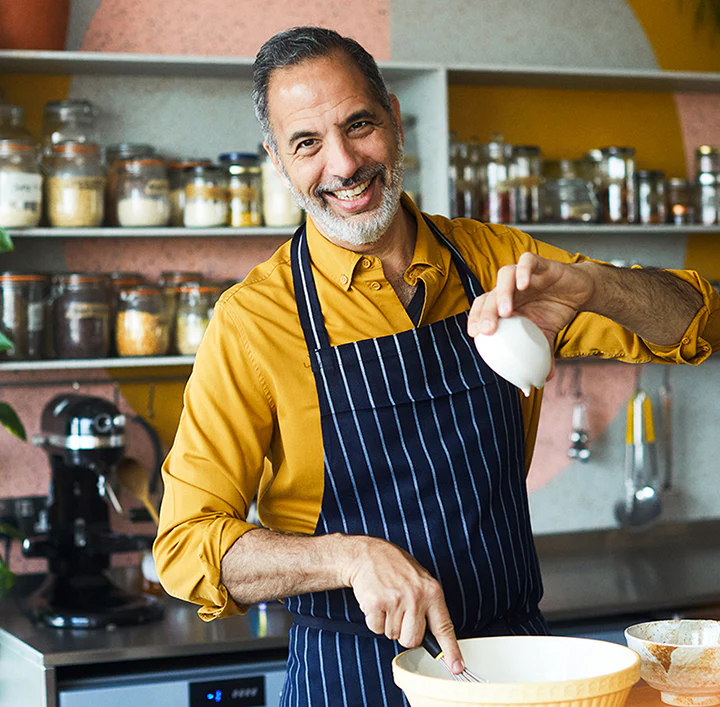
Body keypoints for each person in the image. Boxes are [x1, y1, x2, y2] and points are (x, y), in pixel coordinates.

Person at [154, 26, 720, 707]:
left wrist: (595, 285)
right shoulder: (253, 323)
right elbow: (185, 548)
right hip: (349, 682)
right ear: (277, 159)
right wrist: (346, 555)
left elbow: (698, 324)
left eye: (358, 124)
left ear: (393, 117)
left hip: (514, 670)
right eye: (307, 143)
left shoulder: (495, 262)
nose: (342, 164)